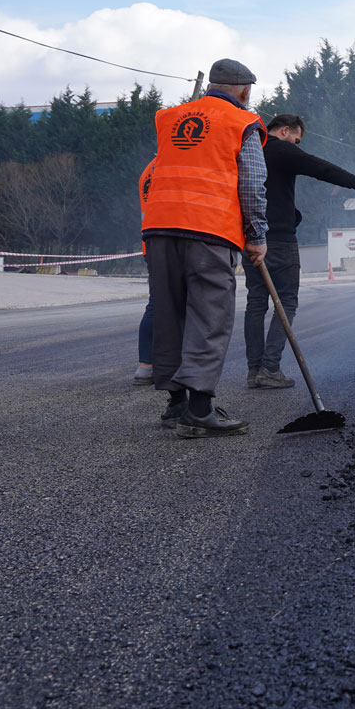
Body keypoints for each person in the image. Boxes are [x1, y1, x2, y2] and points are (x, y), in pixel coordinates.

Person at [142, 59, 268, 437]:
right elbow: (252, 183)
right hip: (210, 230)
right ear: (244, 90)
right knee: (209, 317)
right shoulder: (242, 122)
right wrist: (257, 235)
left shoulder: (169, 117)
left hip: (160, 227)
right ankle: (199, 409)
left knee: (170, 313)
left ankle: (175, 405)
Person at [244, 114, 355, 388]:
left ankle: (254, 371)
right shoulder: (280, 148)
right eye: (296, 140)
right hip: (279, 241)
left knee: (256, 304)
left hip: (250, 239)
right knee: (287, 302)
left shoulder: (248, 150)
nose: (297, 145)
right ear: (285, 131)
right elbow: (319, 167)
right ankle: (270, 369)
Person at [133, 159, 155, 383]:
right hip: (169, 244)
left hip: (150, 243)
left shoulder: (147, 170)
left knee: (156, 304)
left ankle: (146, 366)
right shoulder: (169, 166)